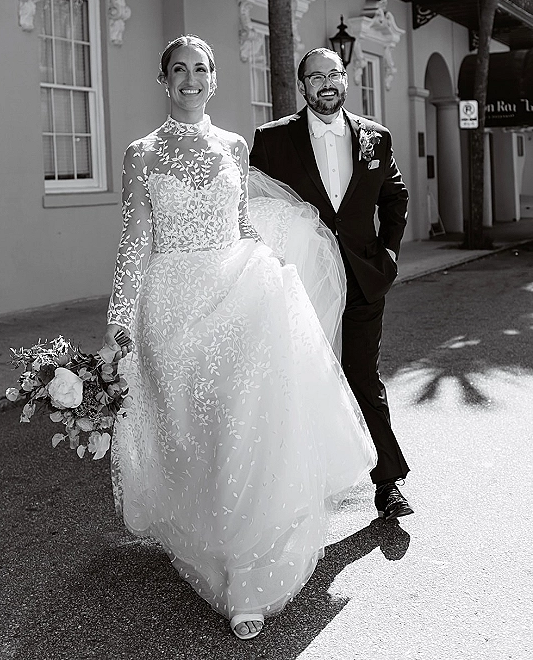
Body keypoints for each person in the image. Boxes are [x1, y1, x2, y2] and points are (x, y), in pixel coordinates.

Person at [103, 35, 376, 640]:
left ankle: (248, 575)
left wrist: (275, 269)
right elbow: (134, 242)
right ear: (163, 79)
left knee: (242, 428)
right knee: (191, 434)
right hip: (172, 305)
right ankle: (205, 545)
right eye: (180, 70)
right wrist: (121, 320)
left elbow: (245, 223)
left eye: (202, 69)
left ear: (215, 78)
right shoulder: (140, 155)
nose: (192, 80)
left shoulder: (234, 144)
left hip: (238, 295)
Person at [250, 47, 413, 523]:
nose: (326, 83)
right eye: (315, 76)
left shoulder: (375, 138)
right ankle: (296, 490)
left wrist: (387, 254)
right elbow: (256, 206)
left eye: (334, 74)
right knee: (299, 379)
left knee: (362, 375)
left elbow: (395, 197)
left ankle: (387, 483)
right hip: (302, 283)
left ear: (346, 80)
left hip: (364, 279)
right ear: (301, 86)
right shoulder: (272, 139)